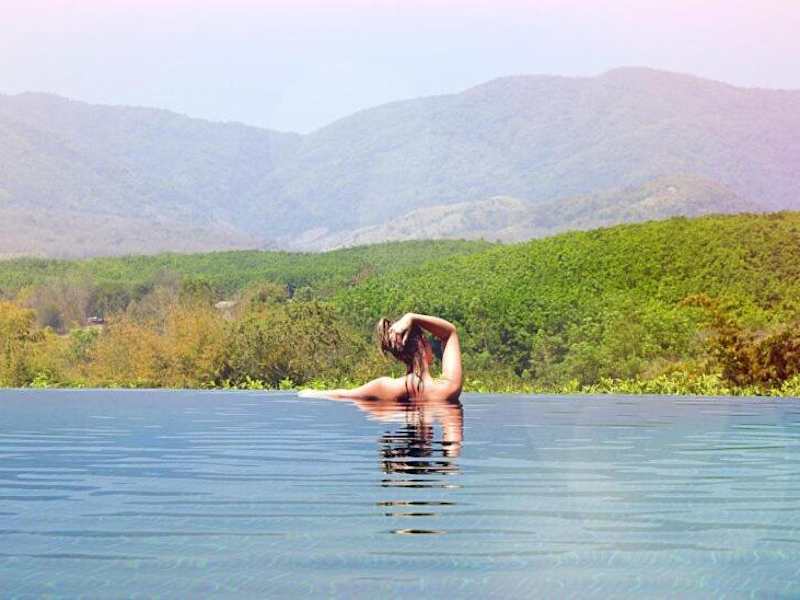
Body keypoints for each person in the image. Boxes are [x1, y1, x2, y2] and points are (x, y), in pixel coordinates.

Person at [302, 312, 462, 402]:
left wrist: (309, 392)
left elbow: (342, 394)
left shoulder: (384, 387)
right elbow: (450, 333)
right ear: (423, 343)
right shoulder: (448, 388)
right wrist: (412, 317)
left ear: (399, 355)